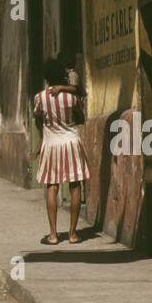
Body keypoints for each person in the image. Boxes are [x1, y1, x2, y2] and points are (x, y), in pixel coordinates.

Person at [31, 56, 90, 245]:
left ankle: (54, 235)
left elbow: (39, 119)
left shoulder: (40, 98)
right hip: (71, 142)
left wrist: (40, 143)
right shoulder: (72, 98)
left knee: (52, 186)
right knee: (75, 186)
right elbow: (80, 117)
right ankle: (73, 234)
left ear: (47, 77)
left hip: (51, 144)